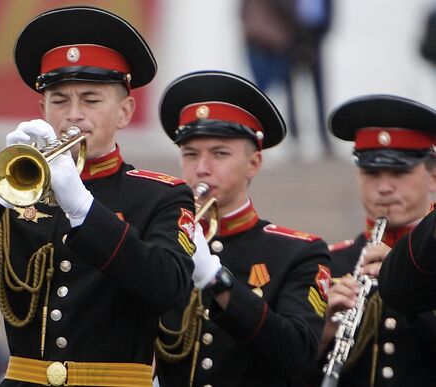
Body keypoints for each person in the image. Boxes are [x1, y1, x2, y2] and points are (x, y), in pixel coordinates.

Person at [0, 6, 195, 387]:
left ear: (125, 111)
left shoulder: (161, 197)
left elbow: (169, 288)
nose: (74, 115)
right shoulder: (20, 192)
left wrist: (83, 208)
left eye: (91, 100)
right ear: (42, 109)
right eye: (60, 100)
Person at [154, 70, 332, 386]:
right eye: (190, 154)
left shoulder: (298, 253)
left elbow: (298, 352)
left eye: (220, 153)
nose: (202, 168)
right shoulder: (160, 240)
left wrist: (217, 280)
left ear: (254, 163)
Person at [314, 95, 436, 386]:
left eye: (399, 173)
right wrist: (323, 334)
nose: (383, 187)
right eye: (371, 173)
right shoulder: (326, 262)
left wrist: (403, 277)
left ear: (433, 176)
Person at [241, 0, 333, 157]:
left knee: (316, 90)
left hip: (310, 38)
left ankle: (322, 137)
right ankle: (290, 137)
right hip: (283, 42)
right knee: (282, 91)